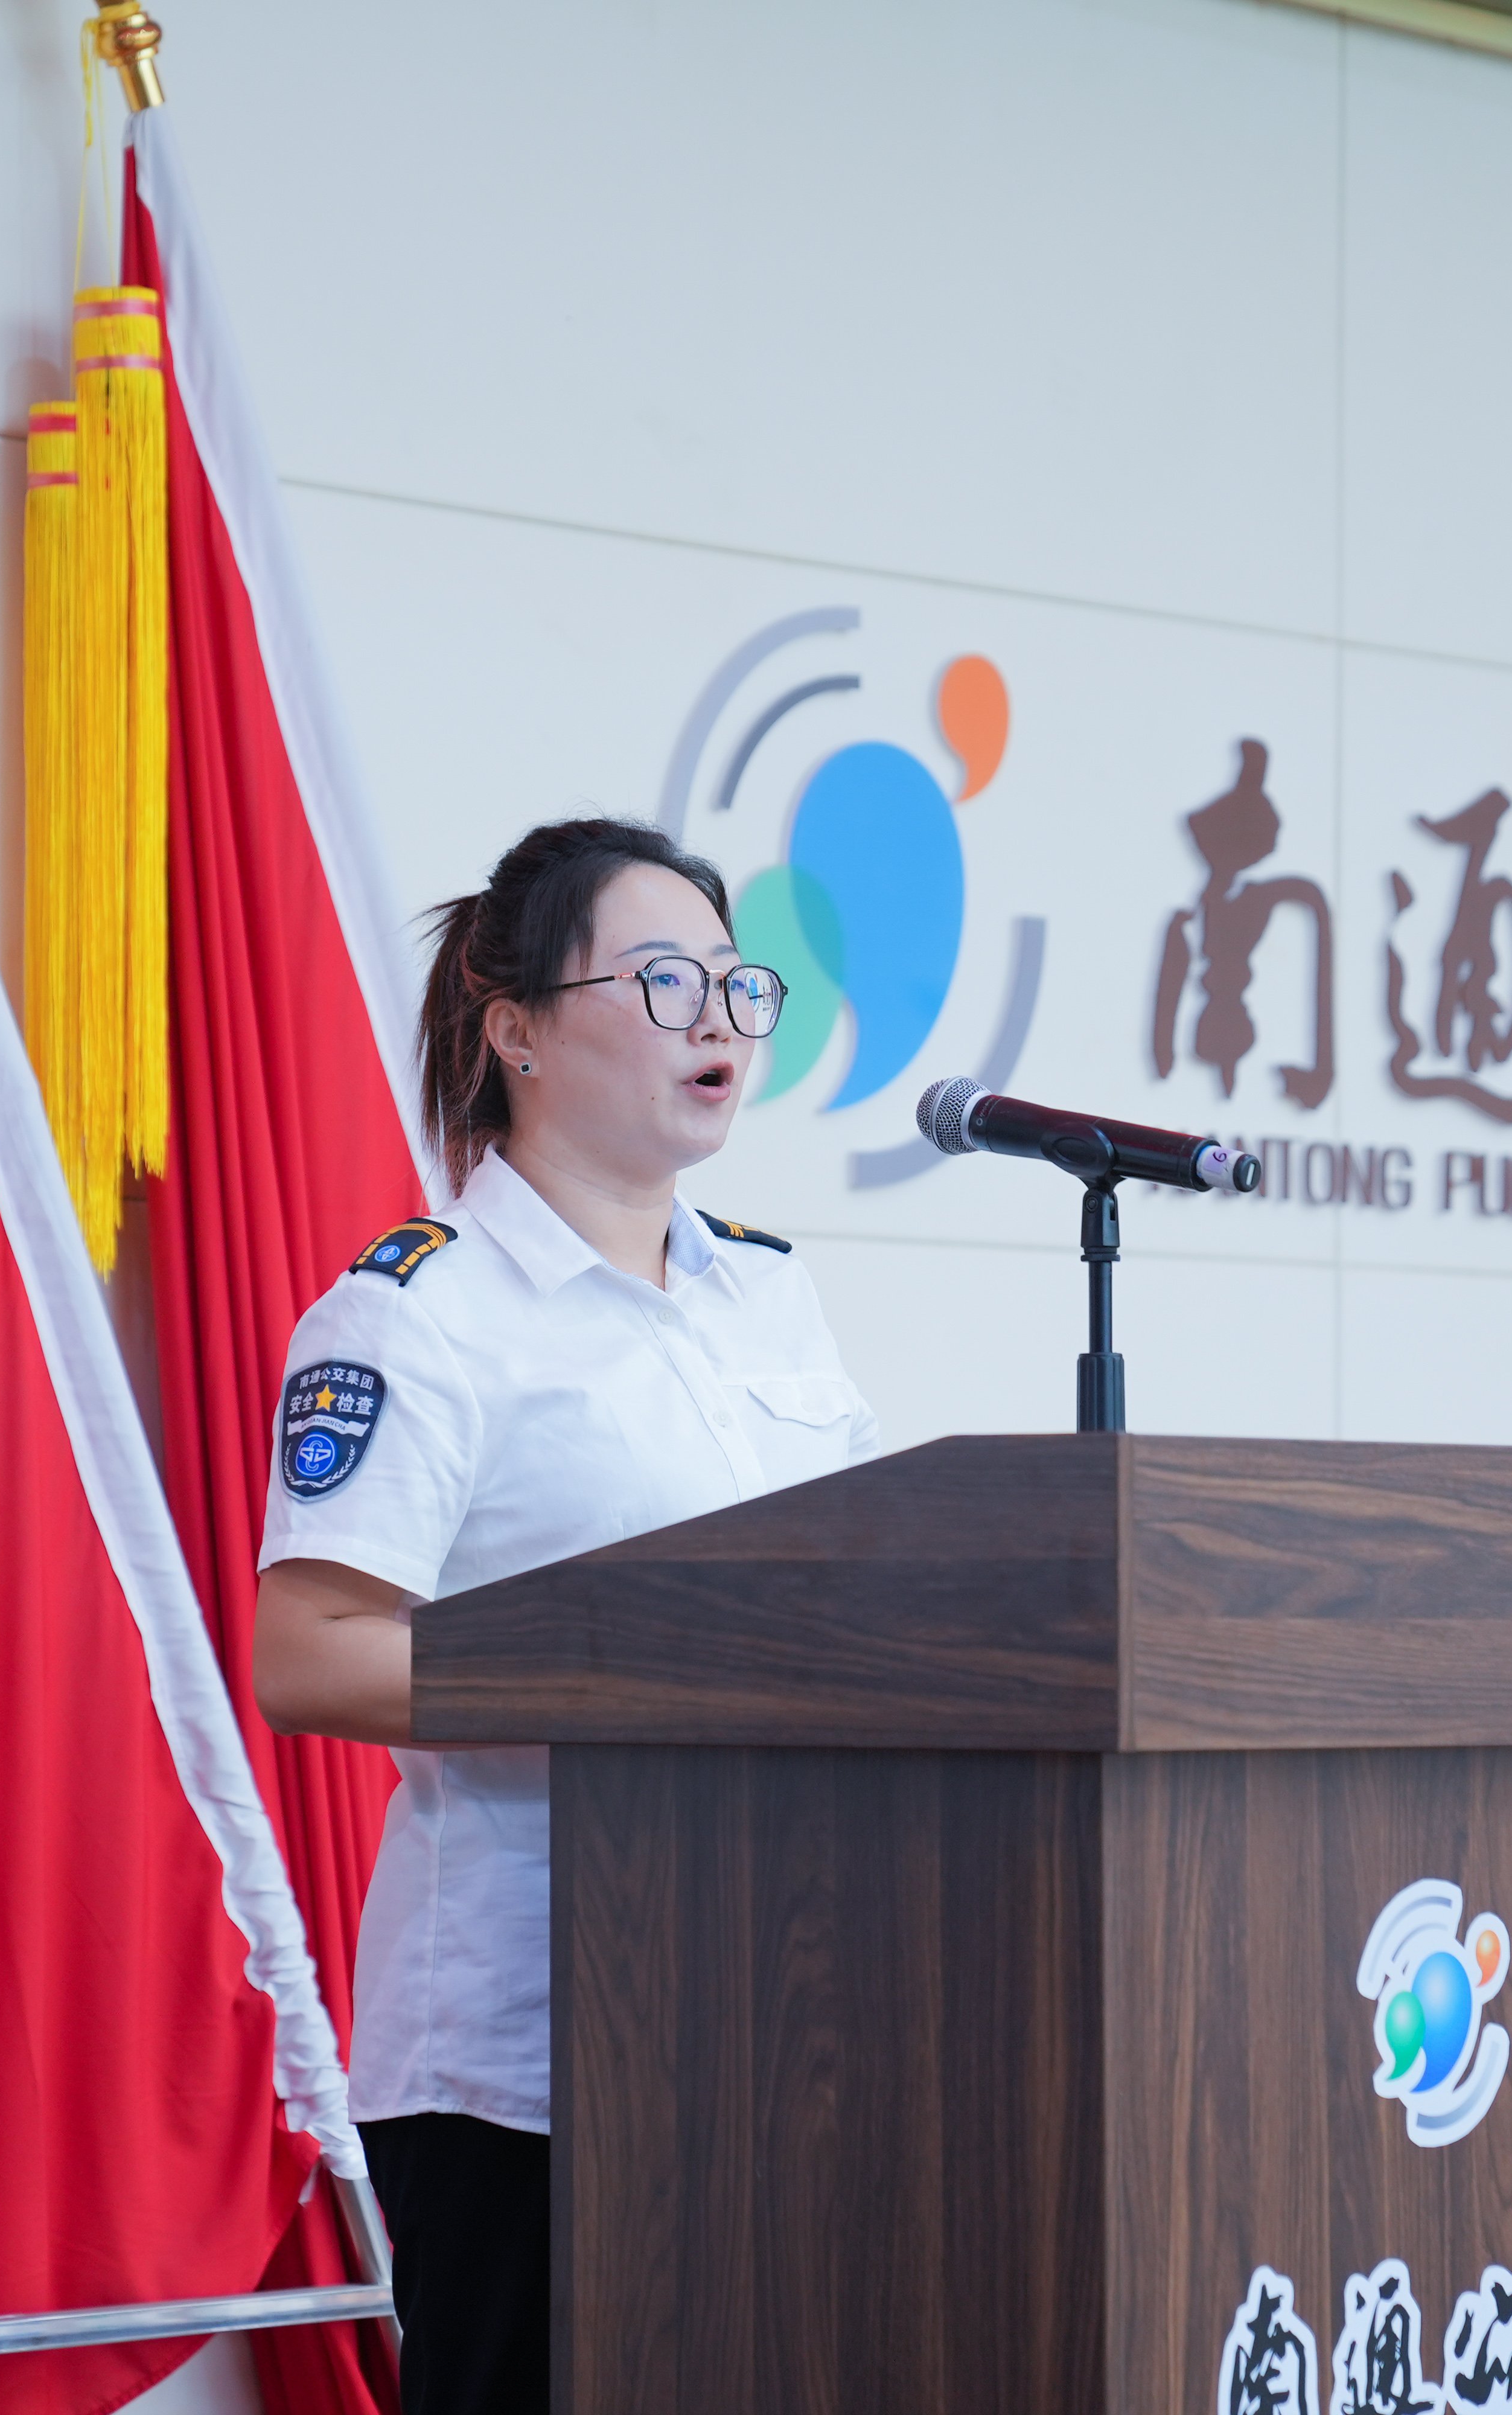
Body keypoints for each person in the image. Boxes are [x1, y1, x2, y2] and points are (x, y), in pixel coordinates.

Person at [253, 817, 879, 2415]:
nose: (719, 1018)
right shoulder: (418, 1315)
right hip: (523, 2060)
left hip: (783, 2010)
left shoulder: (769, 1293)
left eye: (737, 983)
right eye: (665, 981)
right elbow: (309, 1653)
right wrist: (628, 1680)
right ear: (516, 1028)